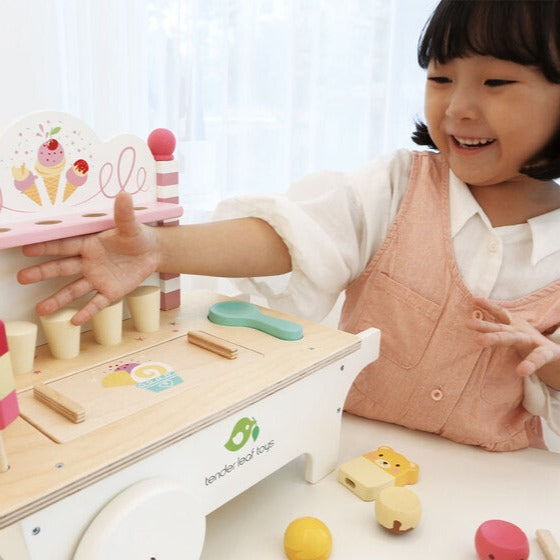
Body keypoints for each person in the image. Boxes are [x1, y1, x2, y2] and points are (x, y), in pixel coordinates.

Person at [17, 0, 560, 451]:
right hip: (342, 441)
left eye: (496, 81)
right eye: (440, 78)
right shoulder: (400, 186)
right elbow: (291, 237)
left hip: (487, 483)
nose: (458, 107)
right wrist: (160, 248)